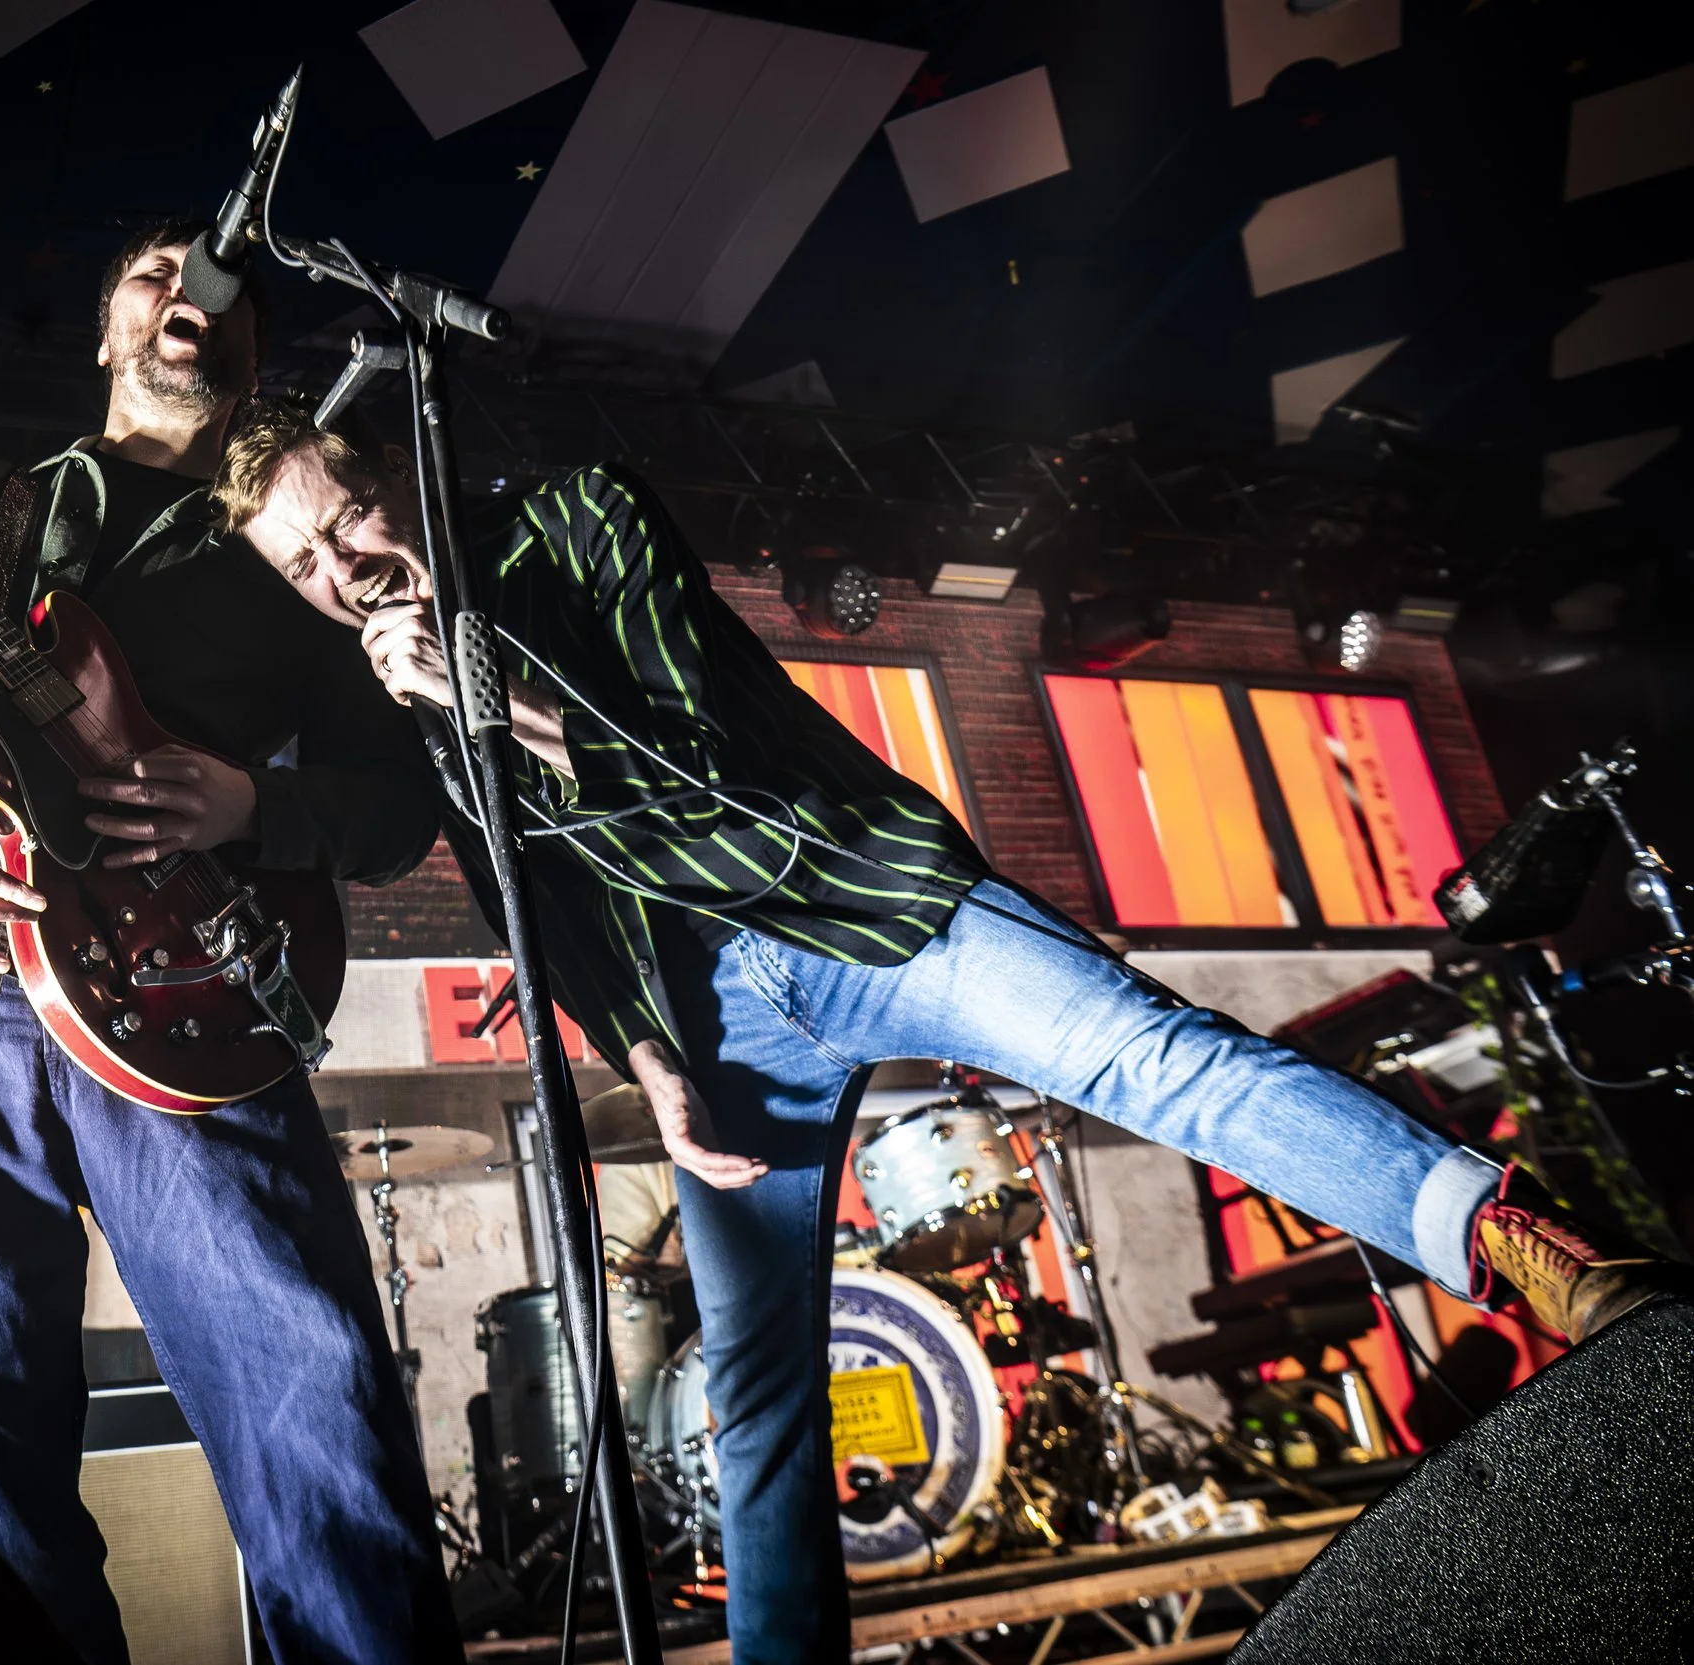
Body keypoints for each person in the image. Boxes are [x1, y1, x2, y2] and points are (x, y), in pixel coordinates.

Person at [211, 399, 1678, 1665]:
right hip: (716, 1023)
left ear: (398, 468)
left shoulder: (575, 521)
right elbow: (539, 898)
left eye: (350, 520)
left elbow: (696, 752)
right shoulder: (383, 700)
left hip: (862, 907)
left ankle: (1538, 1259)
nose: (344, 570)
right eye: (304, 567)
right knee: (756, 1386)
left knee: (1158, 1059)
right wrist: (652, 1071)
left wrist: (503, 701)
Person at [0, 233, 457, 1664]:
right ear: (108, 329)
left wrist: (252, 803)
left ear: (246, 357)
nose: (192, 293)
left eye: (222, 289)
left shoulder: (297, 536)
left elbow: (395, 801)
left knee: (314, 1408)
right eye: (156, 273)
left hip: (184, 978)